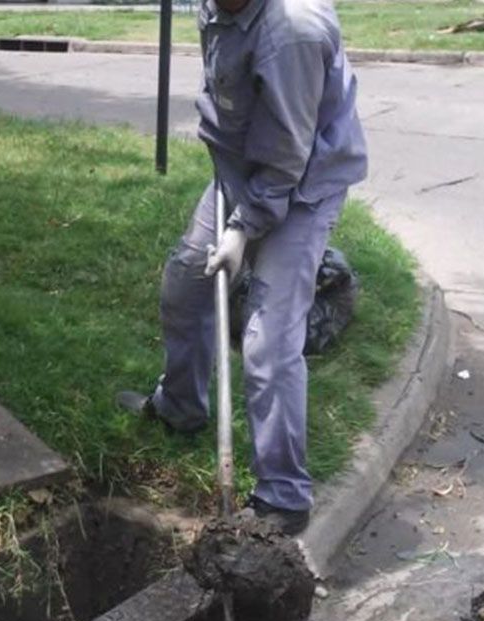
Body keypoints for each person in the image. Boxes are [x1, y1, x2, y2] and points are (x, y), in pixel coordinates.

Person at [118, 0, 367, 535]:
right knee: (186, 284)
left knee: (267, 342)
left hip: (300, 185)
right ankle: (180, 407)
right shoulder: (217, 6)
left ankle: (283, 497)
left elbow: (287, 157)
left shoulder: (292, 32)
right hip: (241, 169)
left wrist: (242, 227)